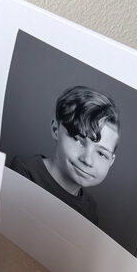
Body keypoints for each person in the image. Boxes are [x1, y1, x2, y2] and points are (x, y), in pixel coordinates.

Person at [9, 86, 120, 225]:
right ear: (56, 129)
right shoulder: (25, 171)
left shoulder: (90, 210)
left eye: (101, 154)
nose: (87, 160)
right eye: (78, 141)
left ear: (111, 161)